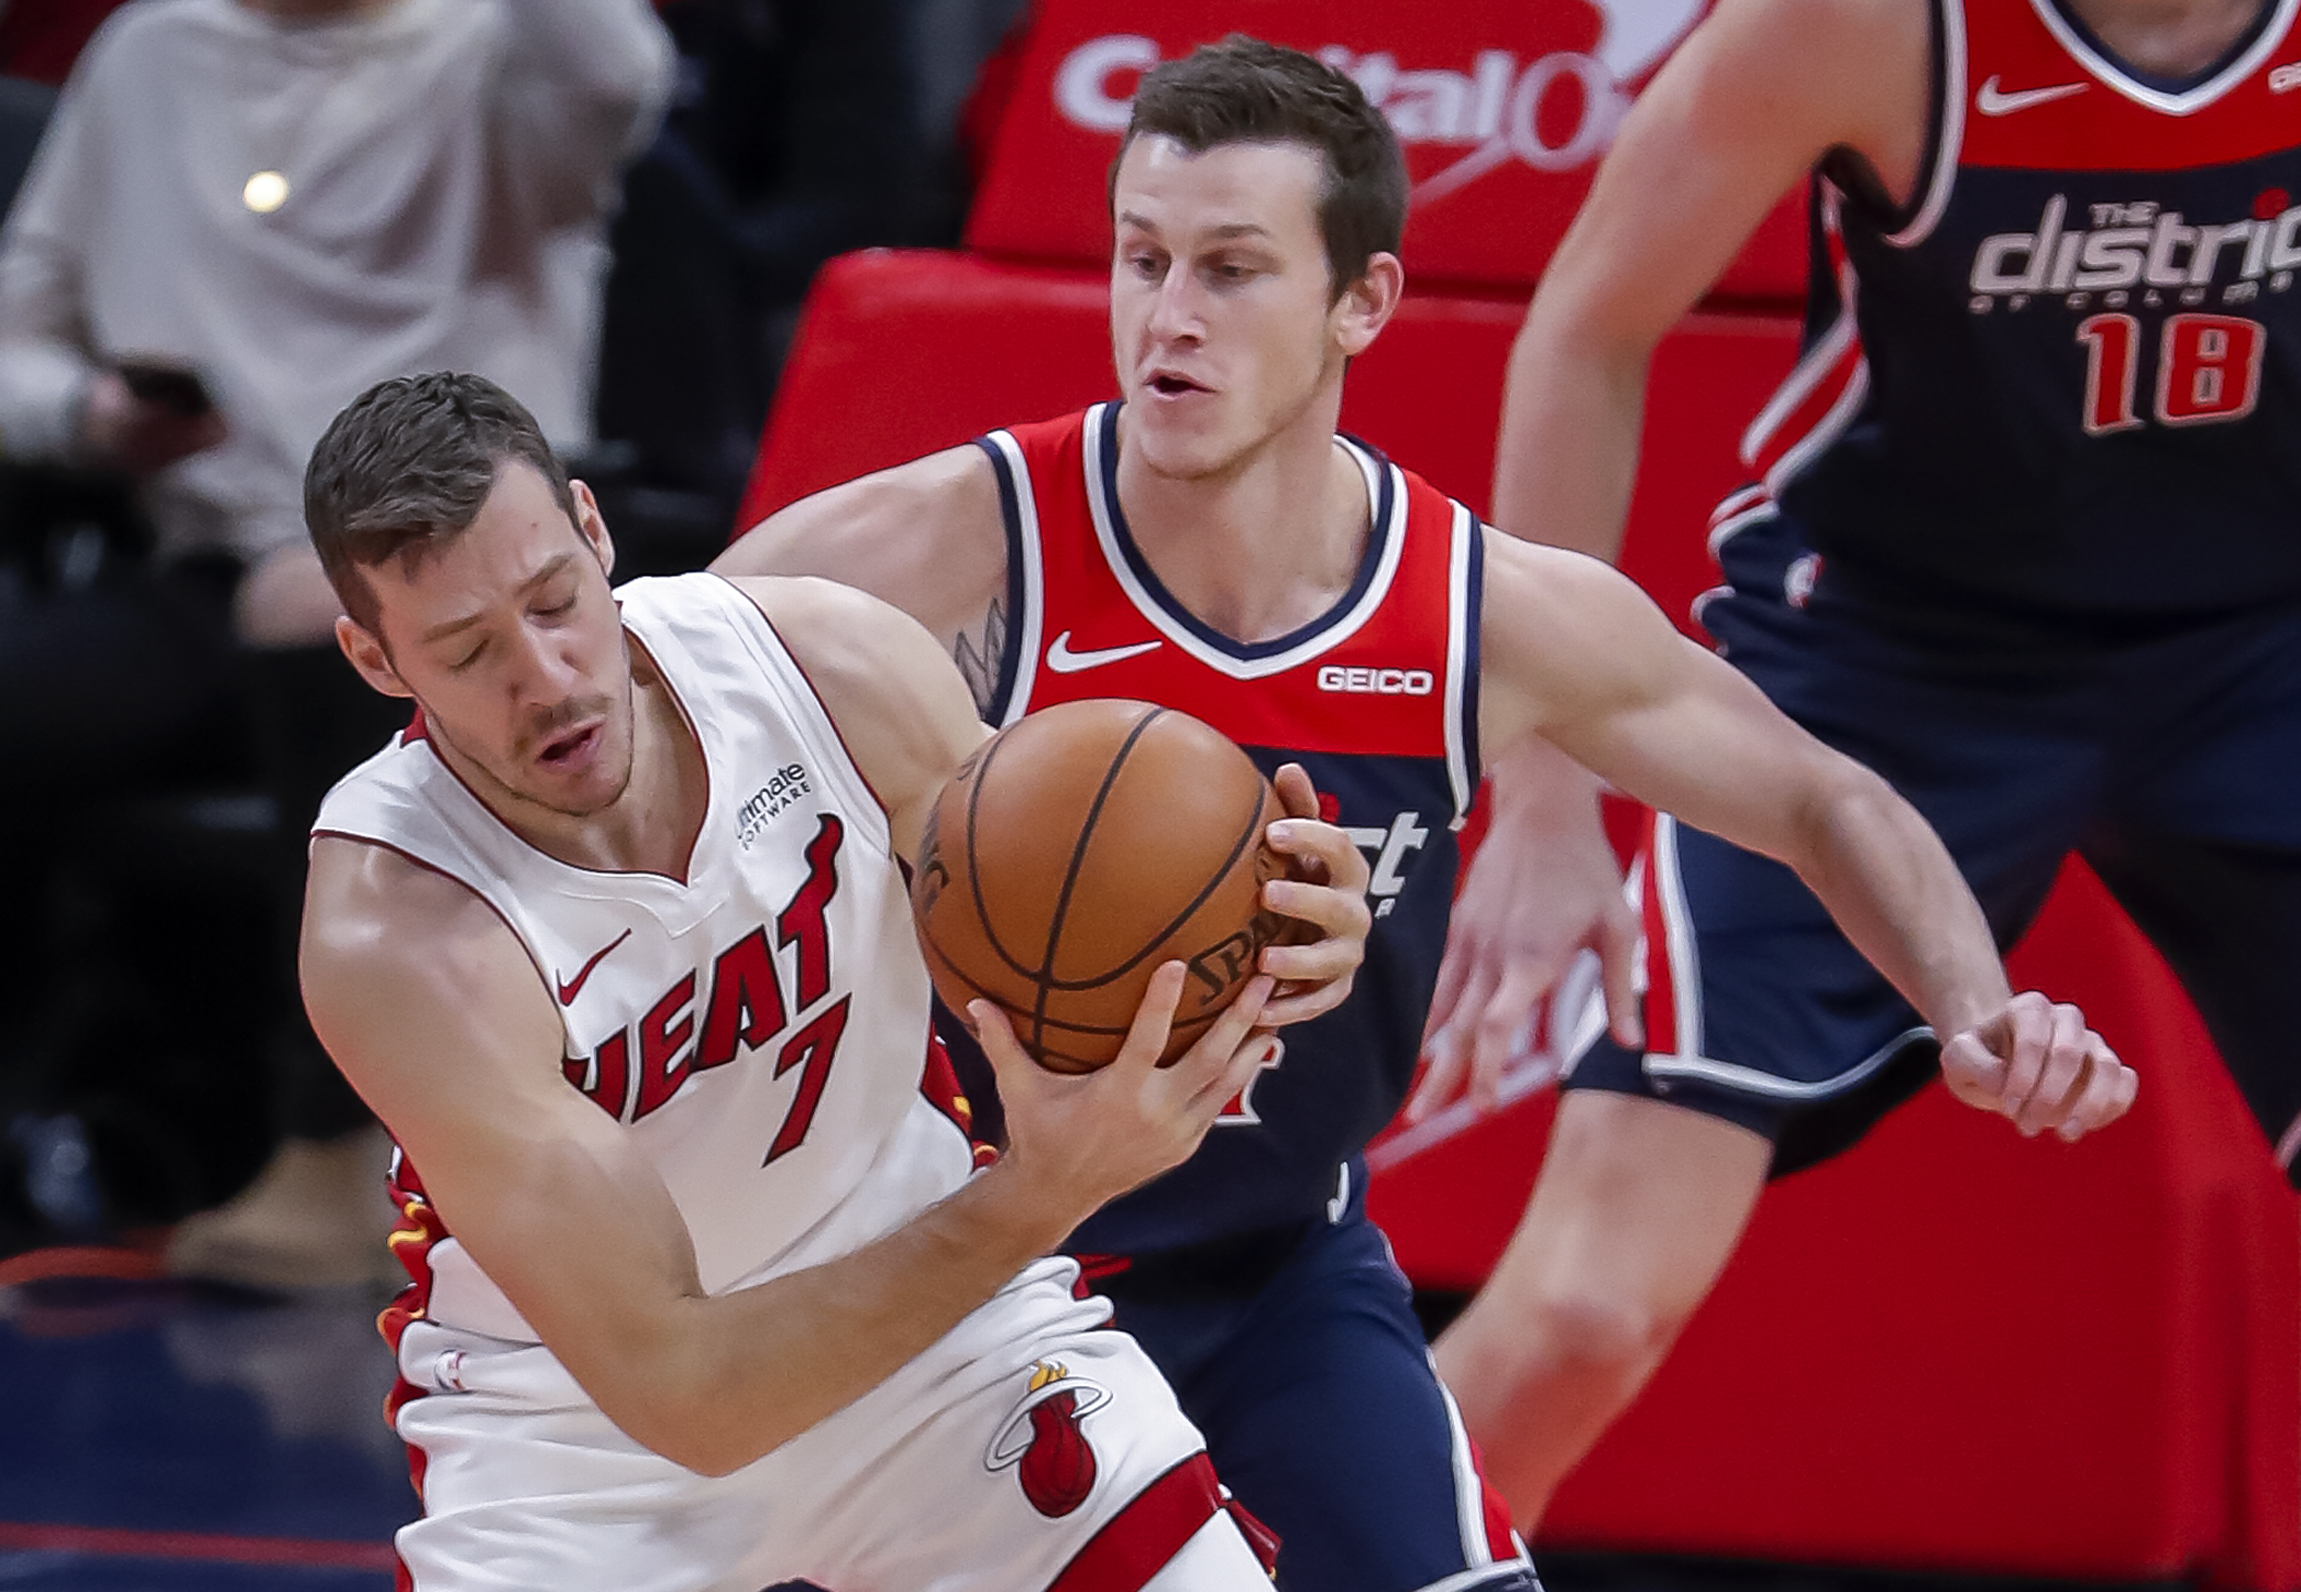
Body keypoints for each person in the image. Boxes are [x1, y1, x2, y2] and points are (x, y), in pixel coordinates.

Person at [714, 37, 2137, 1591]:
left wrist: (1975, 1008)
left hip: (1277, 1279)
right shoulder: (948, 545)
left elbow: (1820, 794)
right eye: (1142, 259)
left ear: (1362, 304)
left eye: (1232, 269)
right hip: (965, 1268)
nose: (1168, 317)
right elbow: (640, 749)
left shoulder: (1478, 614)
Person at [1419, 0, 2300, 1526]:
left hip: (2263, 651)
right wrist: (1548, 794)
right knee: (1583, 1315)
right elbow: (1588, 324)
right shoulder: (1868, 26)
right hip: (1900, 660)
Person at [297, 371, 1381, 1589]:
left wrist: (1274, 929)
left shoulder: (820, 662)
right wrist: (1037, 1195)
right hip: (586, 1447)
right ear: (376, 659)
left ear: (595, 531)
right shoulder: (400, 932)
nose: (544, 677)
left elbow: (1065, 927)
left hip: (935, 1325)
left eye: (555, 600)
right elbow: (689, 1391)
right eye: (468, 649)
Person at [0, 0, 673, 1285]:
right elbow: (17, 336)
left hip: (464, 571)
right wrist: (88, 414)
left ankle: (352, 1139)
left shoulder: (507, 48)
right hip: (197, 556)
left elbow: (617, 70)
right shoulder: (152, 49)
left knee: (318, 612)